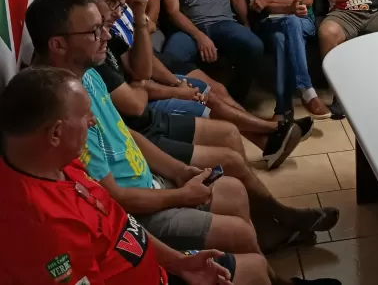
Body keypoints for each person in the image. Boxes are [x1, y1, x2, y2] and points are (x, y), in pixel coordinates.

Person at [26, 0, 339, 257]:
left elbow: (127, 128)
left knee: (228, 161)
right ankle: (265, 243)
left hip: (148, 171)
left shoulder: (87, 73)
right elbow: (113, 196)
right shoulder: (62, 110)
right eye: (95, 30)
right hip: (136, 207)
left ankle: (272, 224)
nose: (106, 33)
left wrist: (178, 171)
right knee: (233, 200)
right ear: (58, 45)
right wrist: (180, 195)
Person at [0, 67, 249, 285]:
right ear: (56, 133)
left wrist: (179, 263)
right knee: (248, 262)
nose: (93, 121)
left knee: (253, 265)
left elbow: (122, 224)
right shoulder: (44, 229)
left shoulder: (59, 162)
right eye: (85, 116)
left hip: (161, 267)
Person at [85, 0, 301, 148]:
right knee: (205, 93)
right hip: (167, 50)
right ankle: (272, 131)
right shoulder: (105, 20)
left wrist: (175, 83)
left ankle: (267, 138)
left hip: (159, 55)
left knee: (218, 87)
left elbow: (147, 39)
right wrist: (177, 83)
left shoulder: (123, 6)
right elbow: (139, 72)